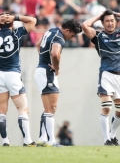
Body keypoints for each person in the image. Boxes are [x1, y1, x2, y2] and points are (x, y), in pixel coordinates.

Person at [81, 9, 120, 146]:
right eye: (107, 21)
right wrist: (99, 16)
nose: (110, 23)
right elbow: (84, 25)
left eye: (112, 20)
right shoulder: (98, 36)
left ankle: (112, 135)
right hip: (106, 75)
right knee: (106, 108)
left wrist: (117, 13)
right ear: (103, 23)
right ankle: (106, 139)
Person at [0, 12, 37, 146]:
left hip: (0, 75)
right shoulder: (16, 34)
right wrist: (15, 17)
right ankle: (27, 140)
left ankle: (5, 140)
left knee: (1, 110)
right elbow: (33, 20)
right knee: (22, 109)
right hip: (13, 74)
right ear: (12, 23)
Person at [34, 19, 82, 147]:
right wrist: (57, 67)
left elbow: (38, 44)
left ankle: (42, 139)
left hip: (41, 70)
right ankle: (51, 141)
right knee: (51, 108)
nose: (70, 38)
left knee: (49, 108)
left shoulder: (51, 31)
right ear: (67, 30)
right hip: (47, 72)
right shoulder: (59, 37)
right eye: (71, 35)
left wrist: (43, 60)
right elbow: (55, 53)